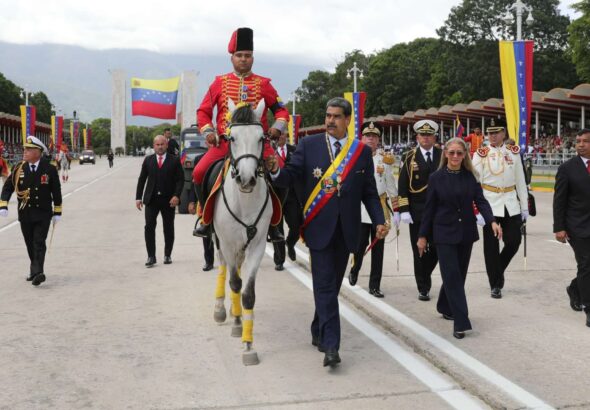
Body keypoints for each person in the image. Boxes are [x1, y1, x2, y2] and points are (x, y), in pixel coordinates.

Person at [265, 97, 388, 367]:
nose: (330, 120)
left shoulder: (360, 152)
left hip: (348, 230)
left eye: (336, 116)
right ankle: (331, 345)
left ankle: (318, 327)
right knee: (323, 284)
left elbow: (369, 192)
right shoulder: (309, 146)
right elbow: (290, 175)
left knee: (331, 286)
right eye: (327, 115)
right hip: (318, 228)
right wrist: (275, 169)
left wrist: (379, 220)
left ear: (347, 120)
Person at [193, 27, 289, 241]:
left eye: (247, 56)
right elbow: (203, 112)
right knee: (199, 172)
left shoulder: (264, 84)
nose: (244, 59)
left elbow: (281, 110)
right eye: (239, 56)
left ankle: (274, 225)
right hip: (225, 144)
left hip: (258, 145)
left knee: (282, 175)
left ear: (253, 58)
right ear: (232, 58)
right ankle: (205, 220)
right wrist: (209, 132)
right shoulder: (219, 83)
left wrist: (276, 128)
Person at [418, 138, 501, 339]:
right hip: (443, 233)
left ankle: (444, 305)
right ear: (445, 153)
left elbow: (481, 201)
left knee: (458, 275)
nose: (455, 156)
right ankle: (461, 321)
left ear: (464, 155)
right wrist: (422, 236)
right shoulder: (436, 178)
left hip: (466, 233)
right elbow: (428, 209)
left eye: (459, 153)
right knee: (452, 276)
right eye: (452, 152)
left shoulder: (470, 177)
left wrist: (492, 221)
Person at [471, 118, 528, 299]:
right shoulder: (481, 154)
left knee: (514, 241)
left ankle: (498, 269)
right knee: (491, 247)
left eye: (496, 133)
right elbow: (474, 182)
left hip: (510, 203)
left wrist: (524, 206)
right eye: (490, 133)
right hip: (489, 204)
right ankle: (495, 284)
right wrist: (476, 210)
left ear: (504, 133)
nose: (493, 136)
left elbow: (520, 181)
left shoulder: (514, 153)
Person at [0, 136, 62, 286]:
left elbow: (56, 191)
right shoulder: (19, 168)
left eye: (29, 149)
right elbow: (8, 187)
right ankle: (34, 271)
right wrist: (3, 204)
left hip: (43, 213)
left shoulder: (49, 169)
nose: (25, 152)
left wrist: (57, 211)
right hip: (25, 213)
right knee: (30, 243)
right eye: (25, 149)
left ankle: (38, 272)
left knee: (39, 242)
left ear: (38, 152)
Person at [348, 122, 399, 297]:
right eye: (367, 136)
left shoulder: (385, 160)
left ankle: (374, 285)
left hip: (381, 209)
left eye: (374, 136)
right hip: (361, 209)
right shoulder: (354, 158)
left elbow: (391, 185)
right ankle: (355, 269)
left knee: (378, 250)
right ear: (361, 138)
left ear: (378, 140)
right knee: (359, 246)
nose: (370, 139)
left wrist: (397, 210)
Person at [398, 120, 442, 301]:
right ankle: (423, 287)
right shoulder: (408, 157)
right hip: (417, 210)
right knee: (420, 250)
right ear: (417, 137)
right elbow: (402, 185)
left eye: (429, 135)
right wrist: (404, 209)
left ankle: (424, 274)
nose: (426, 138)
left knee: (439, 247)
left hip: (440, 211)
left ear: (434, 137)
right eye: (422, 135)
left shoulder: (443, 155)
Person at [553, 129, 590, 327]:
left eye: (585, 141)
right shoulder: (567, 168)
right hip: (577, 226)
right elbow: (559, 200)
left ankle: (575, 289)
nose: (581, 145)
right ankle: (588, 307)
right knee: (586, 263)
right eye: (578, 141)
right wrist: (559, 227)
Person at [135, 135, 183, 267]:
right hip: (151, 200)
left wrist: (176, 196)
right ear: (154, 146)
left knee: (168, 228)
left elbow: (180, 180)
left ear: (167, 145)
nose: (160, 147)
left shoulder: (174, 160)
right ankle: (151, 256)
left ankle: (167, 255)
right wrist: (138, 197)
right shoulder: (148, 160)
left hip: (169, 201)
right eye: (157, 144)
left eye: (162, 144)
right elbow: (142, 179)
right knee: (149, 227)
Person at [271, 129, 302, 270]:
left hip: (291, 195)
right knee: (277, 228)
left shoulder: (294, 150)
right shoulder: (269, 152)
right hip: (275, 194)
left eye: (282, 134)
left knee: (296, 225)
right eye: (277, 135)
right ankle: (279, 260)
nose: (280, 137)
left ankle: (290, 243)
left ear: (286, 136)